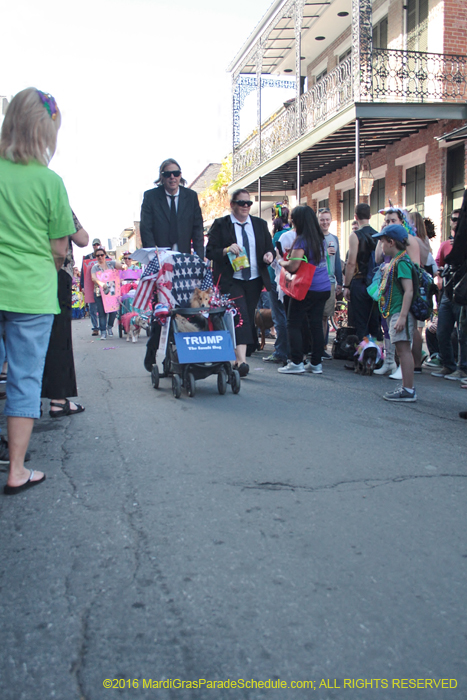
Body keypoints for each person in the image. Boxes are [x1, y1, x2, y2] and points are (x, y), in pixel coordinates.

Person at [0, 87, 74, 494]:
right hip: (31, 291)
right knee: (25, 380)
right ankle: (16, 470)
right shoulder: (50, 181)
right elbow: (60, 248)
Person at [206, 189, 274, 377]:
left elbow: (269, 248)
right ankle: (242, 361)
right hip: (231, 279)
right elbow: (209, 251)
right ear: (232, 204)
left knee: (245, 315)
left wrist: (270, 255)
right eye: (241, 203)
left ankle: (235, 359)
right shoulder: (221, 224)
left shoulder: (260, 225)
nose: (245, 206)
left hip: (253, 279)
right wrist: (227, 249)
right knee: (241, 314)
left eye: (248, 203)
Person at [42, 212, 89, 417]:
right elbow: (82, 239)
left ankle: (29, 401)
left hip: (22, 273)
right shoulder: (52, 192)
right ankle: (58, 400)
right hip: (55, 271)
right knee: (59, 336)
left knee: (26, 337)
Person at [278, 205, 331, 375]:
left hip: (307, 287)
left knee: (293, 322)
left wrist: (281, 262)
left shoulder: (301, 240)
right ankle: (316, 363)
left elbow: (294, 266)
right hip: (323, 286)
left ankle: (296, 362)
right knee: (315, 324)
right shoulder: (320, 238)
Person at [373, 224, 417, 402]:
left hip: (400, 312)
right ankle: (407, 387)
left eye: (382, 242)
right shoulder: (397, 261)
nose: (381, 246)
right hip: (395, 311)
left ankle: (408, 389)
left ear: (391, 242)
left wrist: (403, 316)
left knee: (404, 351)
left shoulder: (402, 262)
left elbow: (409, 291)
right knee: (401, 350)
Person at [140, 158, 204, 257]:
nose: (172, 177)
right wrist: (153, 257)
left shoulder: (191, 197)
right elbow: (146, 229)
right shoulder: (151, 197)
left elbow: (198, 230)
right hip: (160, 258)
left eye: (176, 173)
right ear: (162, 177)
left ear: (180, 175)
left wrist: (199, 257)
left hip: (184, 256)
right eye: (167, 174)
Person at [432, 207, 467, 381]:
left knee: (462, 333)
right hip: (448, 290)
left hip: (462, 292)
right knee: (442, 329)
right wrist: (438, 276)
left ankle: (462, 368)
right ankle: (448, 364)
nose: (455, 222)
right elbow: (439, 265)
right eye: (453, 219)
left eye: (459, 219)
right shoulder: (446, 244)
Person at [343, 203, 380, 342]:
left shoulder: (355, 236)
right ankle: (377, 356)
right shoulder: (378, 235)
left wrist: (346, 285)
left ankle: (363, 357)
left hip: (359, 281)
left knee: (360, 322)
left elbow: (351, 263)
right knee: (374, 321)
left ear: (355, 217)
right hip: (375, 283)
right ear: (370, 216)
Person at [263, 212, 290, 365]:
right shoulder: (295, 235)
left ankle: (281, 351)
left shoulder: (277, 236)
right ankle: (292, 350)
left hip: (276, 279)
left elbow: (272, 257)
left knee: (279, 316)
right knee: (289, 316)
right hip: (291, 279)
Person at [318, 208, 342, 359]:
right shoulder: (314, 238)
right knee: (316, 316)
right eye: (322, 219)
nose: (325, 222)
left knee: (325, 316)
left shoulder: (334, 238)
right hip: (317, 280)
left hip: (331, 281)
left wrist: (340, 281)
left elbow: (338, 261)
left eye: (327, 219)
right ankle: (316, 346)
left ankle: (323, 346)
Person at [91, 248, 122, 339]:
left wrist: (125, 265)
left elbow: (121, 266)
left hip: (112, 292)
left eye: (102, 255)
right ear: (96, 257)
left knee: (113, 311)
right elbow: (94, 278)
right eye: (98, 255)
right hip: (100, 293)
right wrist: (102, 284)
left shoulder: (111, 264)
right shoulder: (95, 267)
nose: (100, 257)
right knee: (102, 312)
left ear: (105, 255)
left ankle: (109, 327)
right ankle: (103, 332)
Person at [81, 238, 104, 336]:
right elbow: (83, 272)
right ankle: (95, 327)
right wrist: (82, 286)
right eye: (95, 245)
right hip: (91, 285)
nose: (96, 246)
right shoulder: (87, 257)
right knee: (92, 308)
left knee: (103, 308)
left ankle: (104, 326)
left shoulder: (104, 256)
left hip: (103, 285)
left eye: (98, 244)